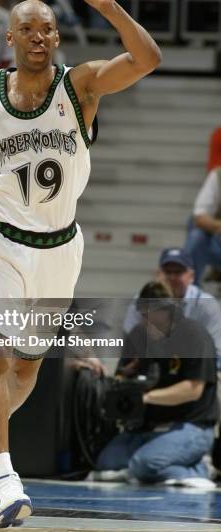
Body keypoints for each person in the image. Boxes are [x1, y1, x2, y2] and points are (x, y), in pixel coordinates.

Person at [0, 0, 161, 527]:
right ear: (9, 36)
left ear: (57, 36)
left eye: (48, 28)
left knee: (27, 369)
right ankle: (7, 482)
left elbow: (148, 59)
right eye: (28, 29)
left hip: (58, 249)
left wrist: (109, 5)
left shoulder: (81, 85)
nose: (39, 36)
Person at [96, 281, 218, 488]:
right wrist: (126, 379)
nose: (148, 319)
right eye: (144, 313)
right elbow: (120, 376)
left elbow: (192, 390)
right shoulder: (138, 334)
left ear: (170, 310)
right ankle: (170, 468)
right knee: (107, 465)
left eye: (154, 312)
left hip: (191, 425)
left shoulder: (194, 335)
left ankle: (200, 468)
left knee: (143, 465)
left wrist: (145, 398)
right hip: (148, 426)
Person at [124, 247, 221, 369]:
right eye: (167, 272)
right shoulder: (142, 300)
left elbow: (216, 353)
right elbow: (131, 342)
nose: (172, 277)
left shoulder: (206, 304)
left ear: (191, 276)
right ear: (158, 274)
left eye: (178, 272)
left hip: (195, 367)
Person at [184, 166, 221, 285]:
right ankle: (190, 294)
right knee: (196, 237)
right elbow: (199, 217)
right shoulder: (218, 176)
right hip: (217, 244)